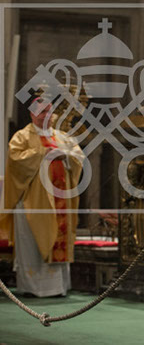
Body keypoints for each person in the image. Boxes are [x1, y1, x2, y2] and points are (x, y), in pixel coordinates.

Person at [0, 97, 84, 297]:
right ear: (32, 114)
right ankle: (32, 288)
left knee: (58, 237)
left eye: (49, 111)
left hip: (60, 200)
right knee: (31, 242)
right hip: (32, 201)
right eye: (41, 112)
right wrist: (43, 152)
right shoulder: (22, 136)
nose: (46, 116)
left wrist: (67, 156)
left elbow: (78, 156)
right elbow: (15, 159)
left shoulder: (62, 137)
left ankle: (57, 288)